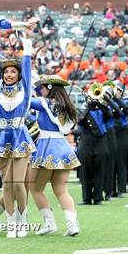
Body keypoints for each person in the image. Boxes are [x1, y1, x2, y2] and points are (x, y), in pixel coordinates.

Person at [0, 35, 36, 237]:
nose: (9, 74)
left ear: (18, 74)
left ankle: (23, 221)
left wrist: (28, 40)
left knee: (18, 183)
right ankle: (10, 221)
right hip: (1, 138)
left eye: (13, 71)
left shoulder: (24, 87)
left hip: (20, 136)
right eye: (6, 71)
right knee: (6, 183)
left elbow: (27, 63)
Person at [28, 75, 80, 237]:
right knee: (61, 191)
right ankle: (72, 225)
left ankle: (49, 223)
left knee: (35, 188)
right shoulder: (65, 105)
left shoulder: (45, 103)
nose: (40, 90)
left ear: (50, 87)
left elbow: (25, 101)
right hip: (63, 147)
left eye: (42, 87)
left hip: (47, 147)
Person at [77, 86, 110, 205]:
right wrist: (88, 106)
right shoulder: (83, 111)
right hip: (86, 142)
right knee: (85, 171)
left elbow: (108, 114)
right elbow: (80, 121)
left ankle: (98, 198)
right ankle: (86, 198)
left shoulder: (102, 111)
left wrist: (99, 103)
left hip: (100, 142)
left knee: (99, 170)